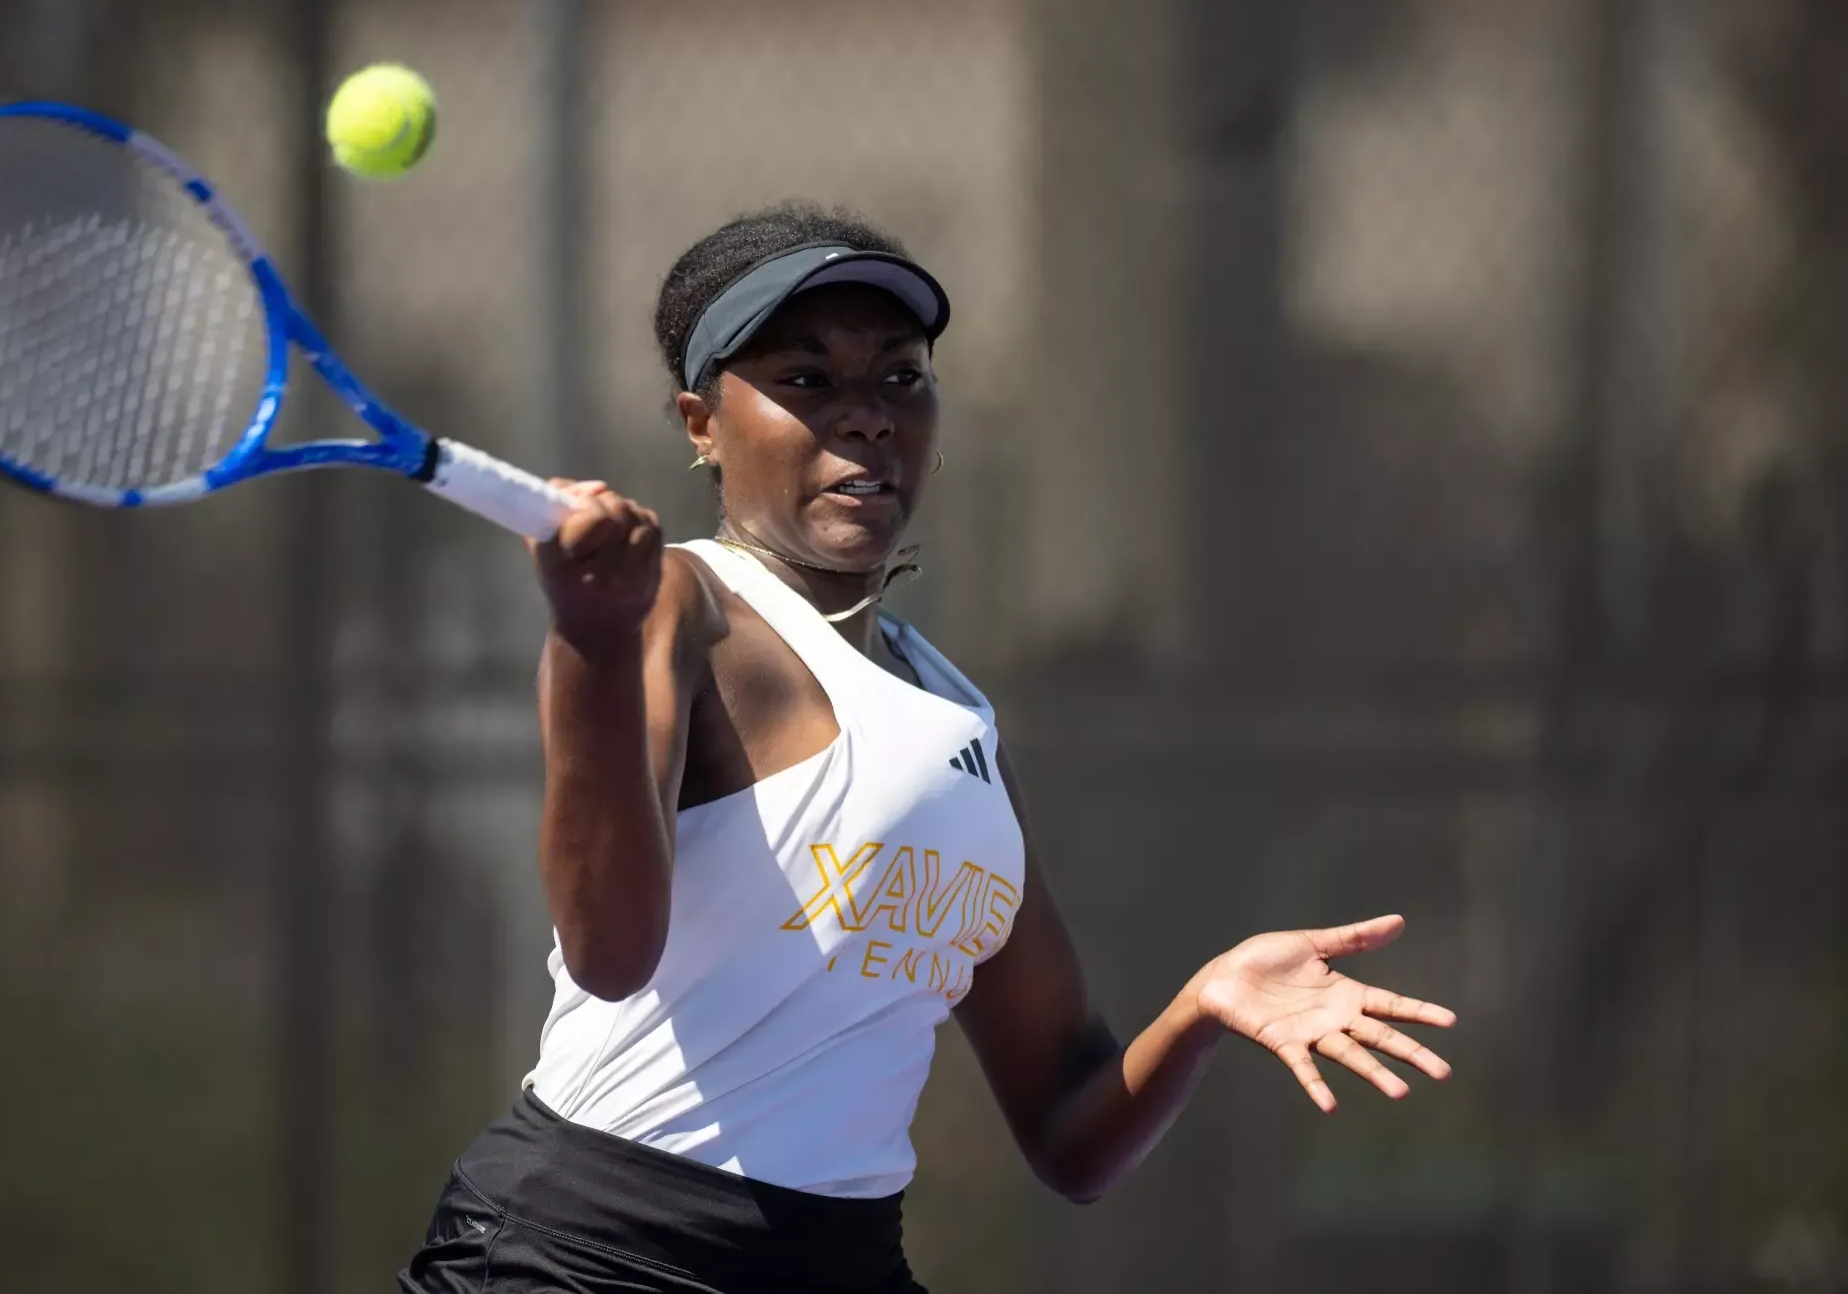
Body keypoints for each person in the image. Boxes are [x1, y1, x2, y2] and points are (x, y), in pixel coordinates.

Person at [397, 203, 1456, 1294]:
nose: (864, 416)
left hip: (845, 1263)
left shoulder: (951, 714)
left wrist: (1201, 1004)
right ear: (701, 423)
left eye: (898, 378)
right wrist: (590, 636)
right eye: (805, 380)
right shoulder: (670, 601)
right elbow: (610, 956)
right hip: (589, 1255)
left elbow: (1070, 1130)